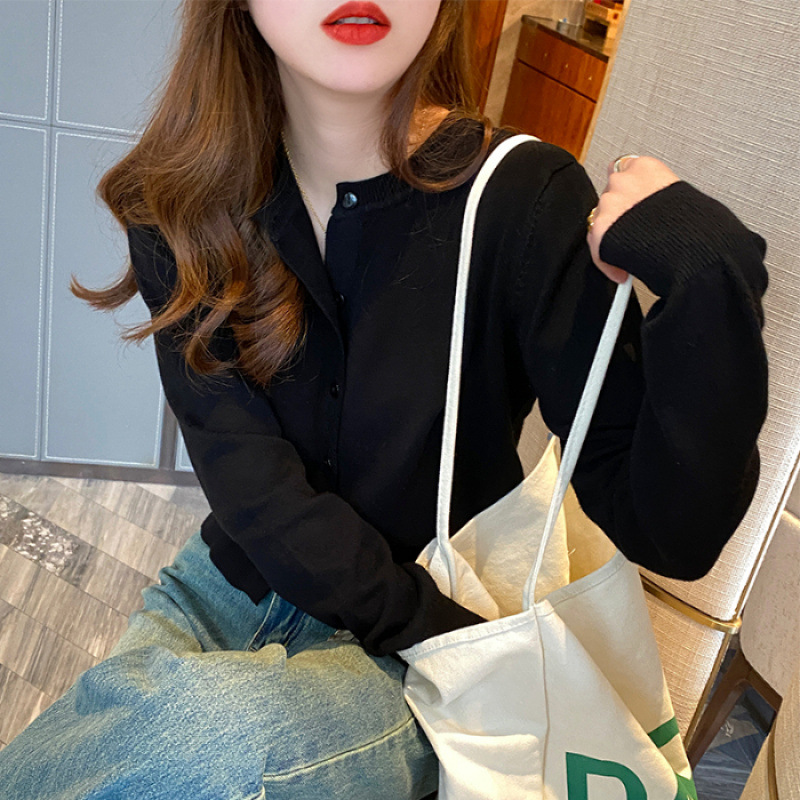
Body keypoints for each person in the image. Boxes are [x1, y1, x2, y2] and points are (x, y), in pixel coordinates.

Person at [0, 1, 769, 798]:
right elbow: (251, 484)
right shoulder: (179, 204)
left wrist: (707, 272)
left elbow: (672, 534)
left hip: (426, 633)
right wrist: (447, 638)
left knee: (203, 749)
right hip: (232, 589)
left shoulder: (520, 198)